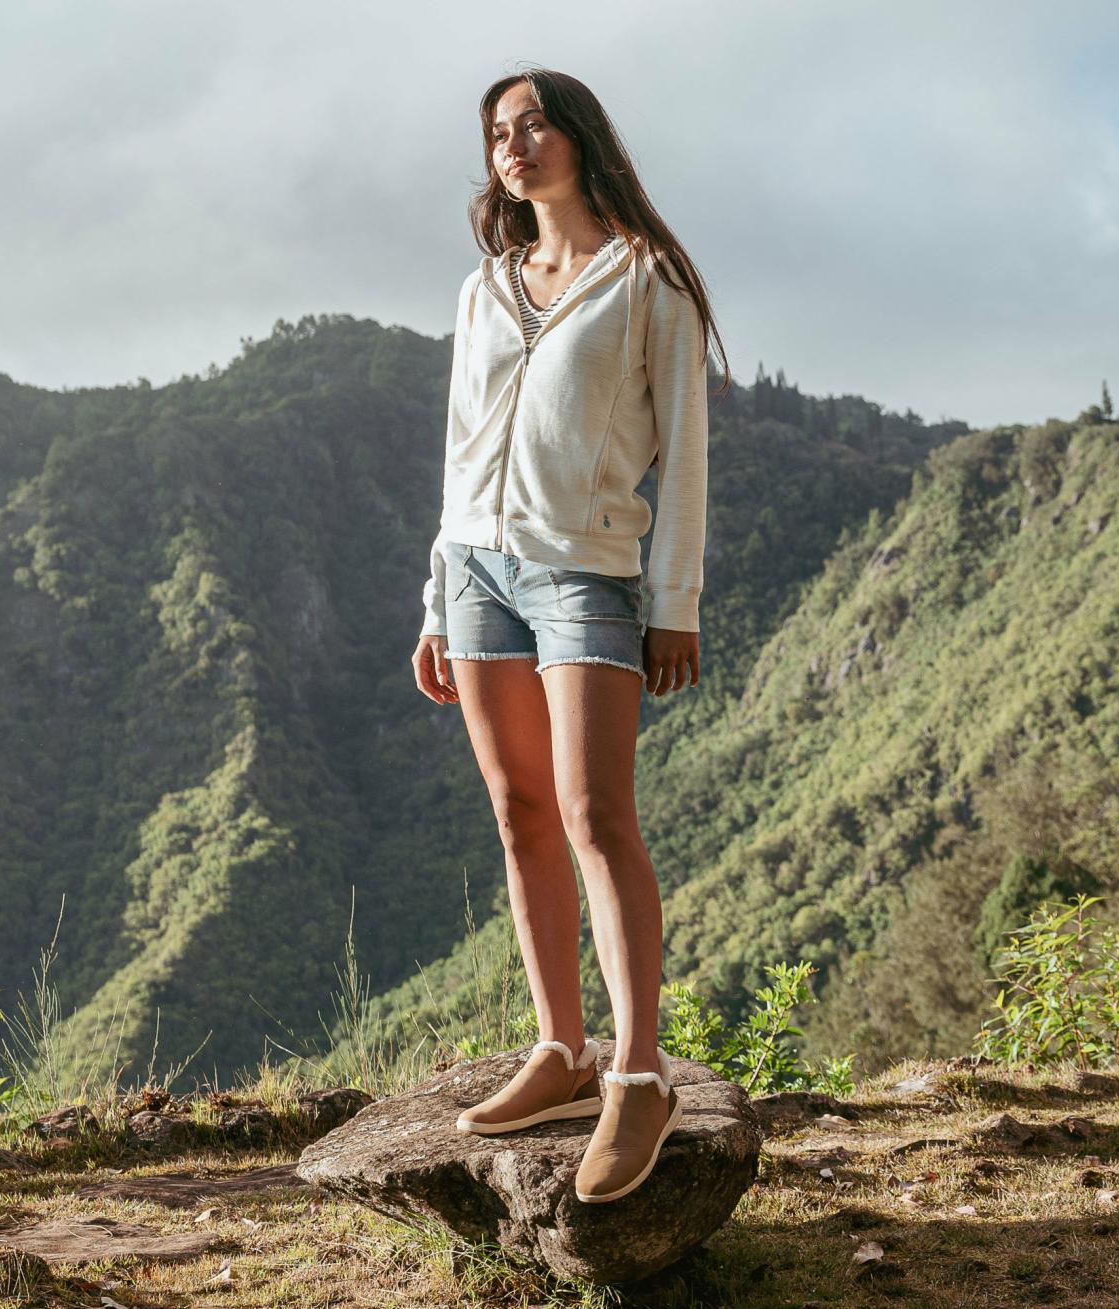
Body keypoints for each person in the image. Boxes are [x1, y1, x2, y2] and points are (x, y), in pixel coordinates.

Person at [410, 65, 730, 1205]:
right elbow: (460, 448)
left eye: (534, 123)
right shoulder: (484, 288)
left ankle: (638, 1073)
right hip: (479, 576)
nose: (515, 143)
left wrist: (672, 601)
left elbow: (684, 451)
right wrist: (436, 591)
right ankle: (560, 1050)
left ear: (581, 138)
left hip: (586, 575)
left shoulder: (649, 282)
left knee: (596, 814)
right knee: (518, 810)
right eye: (498, 131)